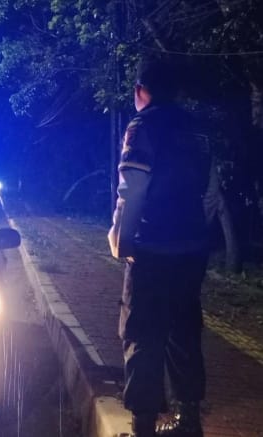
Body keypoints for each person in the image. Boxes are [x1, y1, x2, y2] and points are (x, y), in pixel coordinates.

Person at [108, 57, 212, 437]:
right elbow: (210, 190)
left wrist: (121, 240)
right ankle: (189, 420)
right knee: (185, 331)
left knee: (141, 334)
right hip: (192, 248)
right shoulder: (197, 129)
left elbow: (131, 190)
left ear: (141, 91)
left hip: (151, 248)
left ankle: (143, 425)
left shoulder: (142, 126)